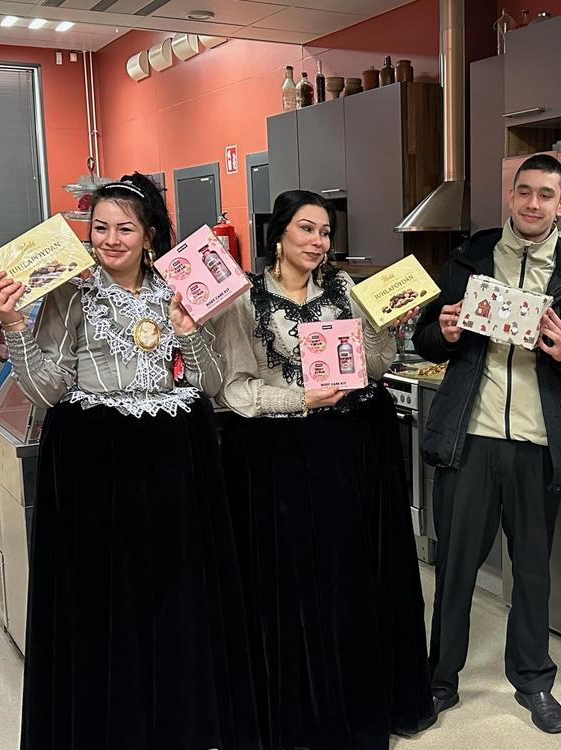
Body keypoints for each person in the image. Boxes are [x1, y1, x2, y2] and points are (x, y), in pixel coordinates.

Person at [0, 172, 260, 750]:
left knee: (174, 595)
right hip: (98, 466)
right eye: (100, 227)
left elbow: (211, 384)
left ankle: (178, 723)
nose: (110, 239)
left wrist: (188, 333)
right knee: (106, 598)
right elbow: (49, 391)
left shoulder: (180, 287)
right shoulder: (69, 293)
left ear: (149, 233)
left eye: (125, 229)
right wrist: (13, 327)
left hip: (173, 465)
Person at [212, 189, 435, 750]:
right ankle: (306, 714)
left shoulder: (347, 291)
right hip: (280, 457)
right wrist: (299, 399)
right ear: (279, 234)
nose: (318, 241)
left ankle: (358, 702)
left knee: (348, 578)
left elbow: (376, 366)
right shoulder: (243, 301)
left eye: (326, 232)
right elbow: (235, 389)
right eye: (307, 229)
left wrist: (384, 327)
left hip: (349, 450)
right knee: (295, 583)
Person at [412, 153, 561, 734]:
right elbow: (426, 336)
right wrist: (445, 333)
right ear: (511, 197)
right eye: (524, 191)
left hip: (537, 444)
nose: (533, 203)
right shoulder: (470, 260)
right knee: (456, 567)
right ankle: (439, 680)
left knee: (532, 570)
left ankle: (533, 680)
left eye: (545, 195)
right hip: (471, 439)